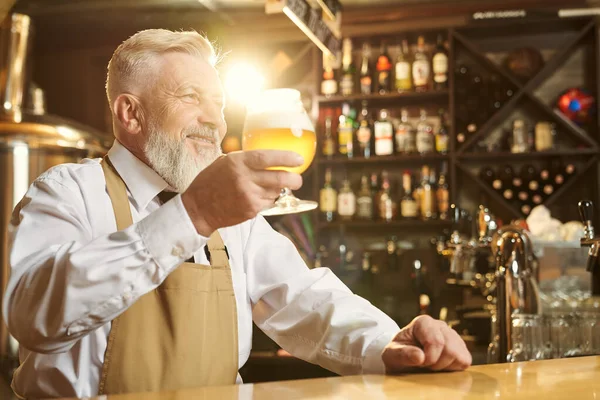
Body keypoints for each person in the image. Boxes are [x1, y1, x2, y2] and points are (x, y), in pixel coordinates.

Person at [2, 29, 471, 399]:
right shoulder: (67, 191)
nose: (215, 121)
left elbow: (303, 299)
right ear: (130, 113)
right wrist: (193, 214)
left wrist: (388, 345)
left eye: (220, 104)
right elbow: (31, 315)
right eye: (191, 97)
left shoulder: (233, 217)